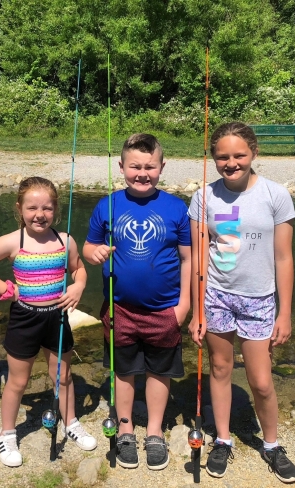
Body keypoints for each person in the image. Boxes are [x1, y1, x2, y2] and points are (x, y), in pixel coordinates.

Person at [188, 122, 295, 483]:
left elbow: (284, 257)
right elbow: (198, 259)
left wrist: (285, 312)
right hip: (216, 296)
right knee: (220, 369)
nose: (230, 163)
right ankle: (222, 439)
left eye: (239, 155)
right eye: (222, 156)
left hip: (260, 301)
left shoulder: (275, 195)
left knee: (261, 382)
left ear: (254, 153)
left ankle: (272, 444)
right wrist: (197, 311)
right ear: (213, 158)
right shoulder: (203, 197)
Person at [0, 176, 97, 467]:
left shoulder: (65, 241)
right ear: (19, 209)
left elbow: (78, 269)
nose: (40, 214)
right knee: (18, 380)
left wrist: (78, 286)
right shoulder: (13, 241)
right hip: (24, 318)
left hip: (57, 317)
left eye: (47, 208)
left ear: (56, 209)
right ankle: (7, 433)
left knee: (62, 376)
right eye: (32, 208)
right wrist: (5, 288)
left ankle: (71, 422)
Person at [83, 134, 191, 470]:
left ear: (162, 167)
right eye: (134, 167)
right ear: (121, 167)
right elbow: (88, 247)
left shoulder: (176, 208)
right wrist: (93, 254)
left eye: (149, 167)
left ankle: (155, 432)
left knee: (159, 371)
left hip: (165, 310)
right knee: (124, 370)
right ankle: (126, 428)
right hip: (120, 310)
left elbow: (189, 259)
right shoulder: (107, 205)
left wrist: (184, 305)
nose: (142, 173)